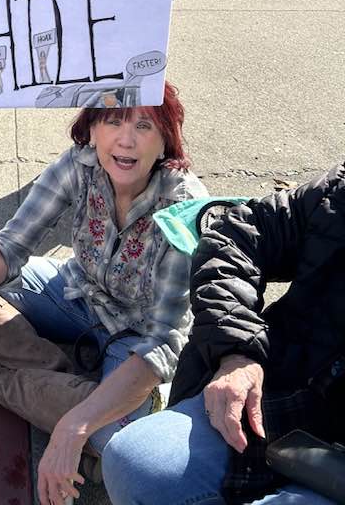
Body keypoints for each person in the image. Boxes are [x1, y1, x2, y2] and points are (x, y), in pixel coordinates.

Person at [0, 82, 207, 503]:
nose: (126, 138)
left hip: (135, 338)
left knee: (119, 444)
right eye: (113, 121)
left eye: (144, 125)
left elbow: (162, 344)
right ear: (92, 129)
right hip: (73, 292)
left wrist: (75, 428)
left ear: (165, 142)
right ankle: (54, 373)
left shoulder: (183, 208)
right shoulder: (80, 164)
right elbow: (11, 246)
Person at [102, 160, 345, 505]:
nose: (125, 139)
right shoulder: (338, 188)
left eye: (142, 125)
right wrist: (237, 350)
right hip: (289, 399)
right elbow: (237, 234)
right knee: (133, 459)